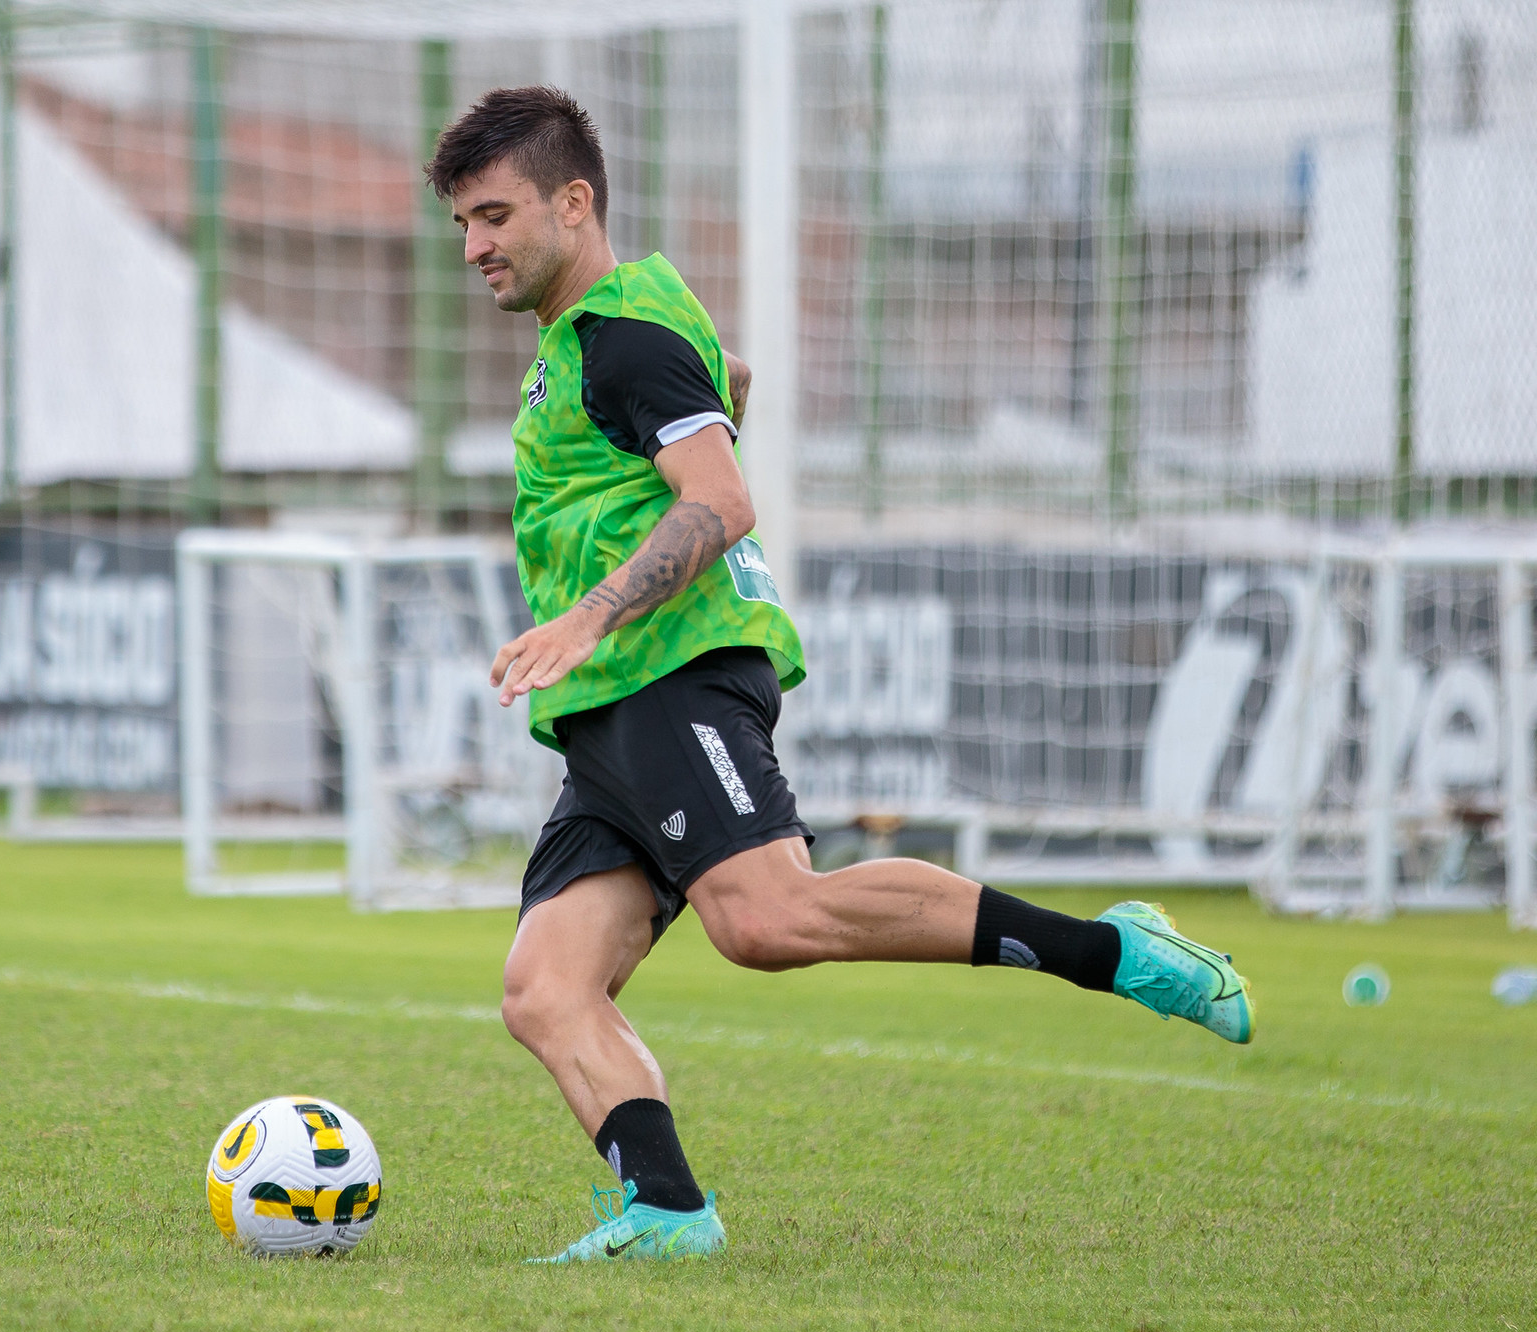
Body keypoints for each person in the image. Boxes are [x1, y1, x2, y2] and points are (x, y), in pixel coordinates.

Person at [422, 86, 1254, 1265]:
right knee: (544, 990)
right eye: (462, 224)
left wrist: (592, 617)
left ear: (574, 200)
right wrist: (723, 394)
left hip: (666, 668)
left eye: (494, 215)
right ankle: (664, 1213)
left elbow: (718, 499)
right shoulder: (596, 341)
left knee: (766, 918)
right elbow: (713, 401)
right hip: (604, 713)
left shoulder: (622, 335)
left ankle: (1112, 949)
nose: (476, 247)